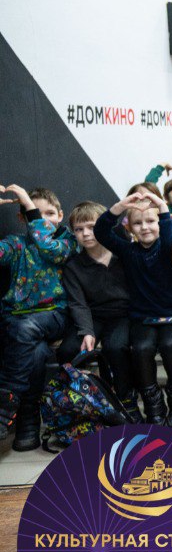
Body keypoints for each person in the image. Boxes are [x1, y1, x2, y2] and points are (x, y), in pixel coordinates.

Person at [94, 190, 172, 427]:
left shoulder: (167, 247)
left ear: (159, 223)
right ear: (129, 228)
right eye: (138, 223)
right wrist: (119, 206)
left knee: (171, 346)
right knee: (141, 349)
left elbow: (168, 234)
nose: (145, 227)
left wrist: (162, 206)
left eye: (150, 221)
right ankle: (154, 407)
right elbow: (101, 232)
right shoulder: (127, 250)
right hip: (143, 318)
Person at [0, 185, 74, 447]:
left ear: (61, 215)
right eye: (34, 214)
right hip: (16, 318)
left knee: (25, 330)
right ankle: (28, 419)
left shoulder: (66, 242)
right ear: (22, 218)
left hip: (54, 315)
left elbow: (49, 248)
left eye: (49, 213)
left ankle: (5, 405)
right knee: (36, 352)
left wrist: (29, 206)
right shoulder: (16, 243)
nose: (43, 219)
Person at [59, 201, 139, 422]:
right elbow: (78, 303)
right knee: (69, 349)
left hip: (123, 314)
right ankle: (80, 401)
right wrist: (86, 331)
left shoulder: (123, 254)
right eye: (79, 229)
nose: (86, 234)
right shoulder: (73, 265)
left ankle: (126, 400)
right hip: (93, 316)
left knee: (116, 347)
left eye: (92, 227)